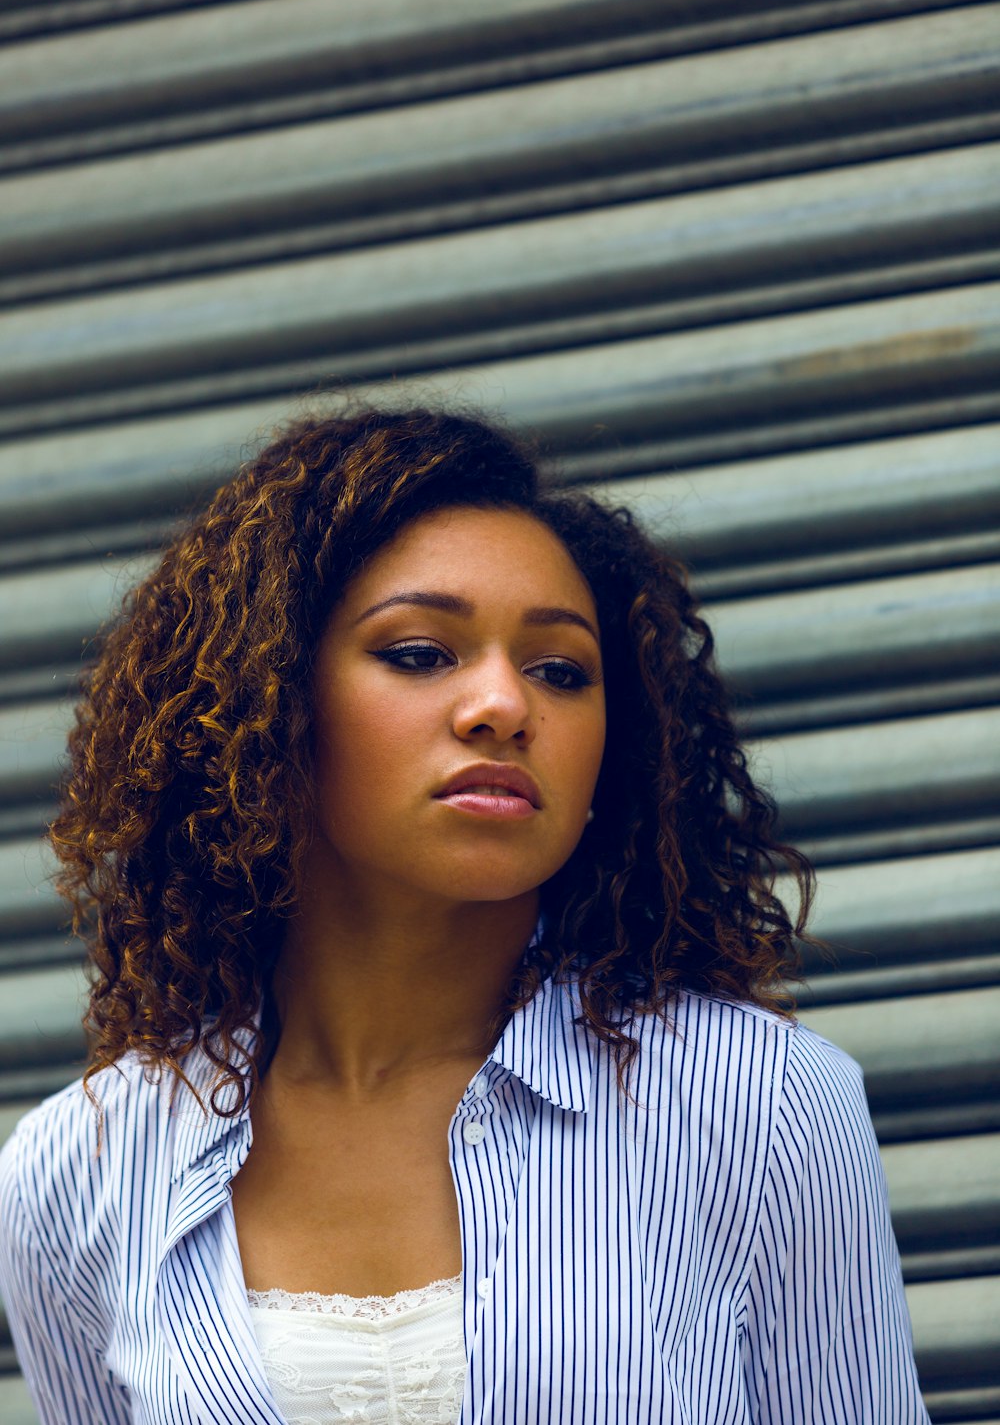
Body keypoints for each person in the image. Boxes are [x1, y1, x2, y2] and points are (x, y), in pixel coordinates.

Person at [0, 403, 928, 1423]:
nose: (503, 704)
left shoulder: (766, 1108)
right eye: (418, 653)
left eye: (560, 671)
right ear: (269, 700)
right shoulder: (76, 1176)